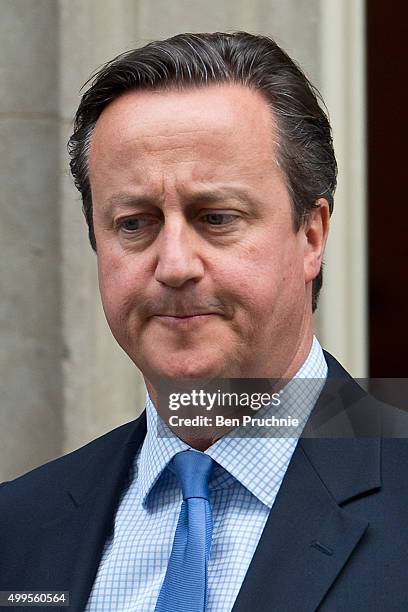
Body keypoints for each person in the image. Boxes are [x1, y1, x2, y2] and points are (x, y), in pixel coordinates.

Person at [0, 31, 407, 612]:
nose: (174, 266)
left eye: (216, 217)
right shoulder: (18, 531)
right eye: (134, 224)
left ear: (311, 235)